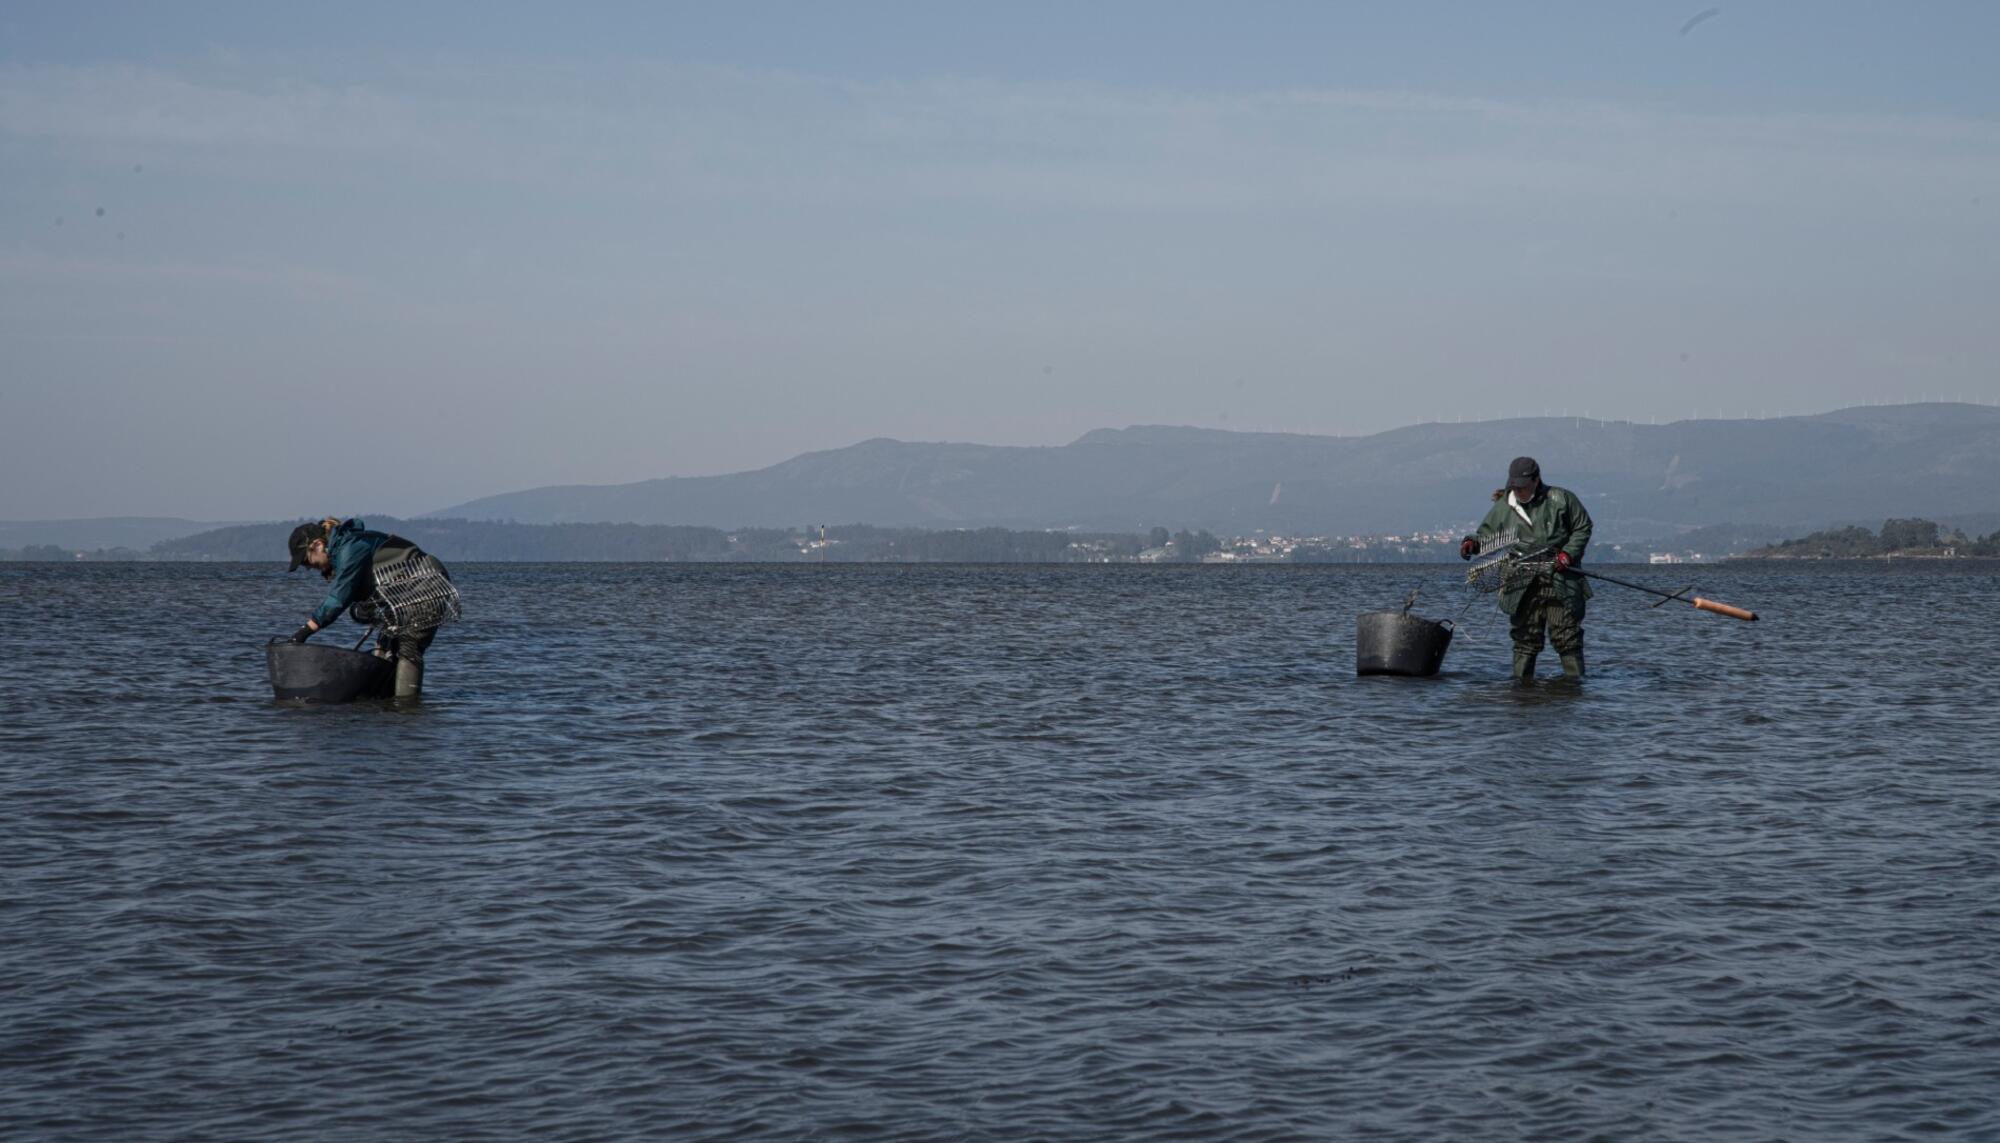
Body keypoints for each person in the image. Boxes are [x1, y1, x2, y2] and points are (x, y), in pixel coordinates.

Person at [1458, 457, 1593, 681]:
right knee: (1525, 639)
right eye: (1516, 486)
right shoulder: (1505, 506)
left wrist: (1568, 554)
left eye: (1524, 486)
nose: (1520, 491)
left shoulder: (1562, 499)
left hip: (1559, 579)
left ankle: (1574, 688)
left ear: (1536, 480)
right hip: (1520, 583)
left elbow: (1583, 527)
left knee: (1567, 637)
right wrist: (1472, 544)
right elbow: (1487, 534)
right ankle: (1522, 689)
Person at [287, 517, 449, 699]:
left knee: (409, 648)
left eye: (307, 562)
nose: (309, 568)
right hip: (403, 595)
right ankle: (384, 706)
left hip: (427, 587)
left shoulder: (351, 547)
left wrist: (305, 631)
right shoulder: (345, 549)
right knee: (385, 646)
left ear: (317, 545)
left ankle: (406, 709)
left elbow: (339, 597)